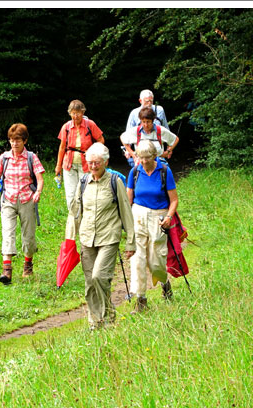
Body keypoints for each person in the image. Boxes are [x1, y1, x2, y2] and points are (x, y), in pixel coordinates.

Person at [65, 143, 135, 330]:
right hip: (87, 237)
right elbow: (75, 212)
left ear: (105, 162)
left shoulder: (115, 182)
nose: (93, 166)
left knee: (99, 277)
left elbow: (125, 211)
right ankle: (95, 322)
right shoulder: (83, 182)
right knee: (90, 283)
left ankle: (109, 315)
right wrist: (70, 239)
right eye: (90, 163)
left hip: (109, 237)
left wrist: (130, 242)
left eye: (97, 162)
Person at [0, 123, 45, 284]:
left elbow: (39, 178)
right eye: (11, 140)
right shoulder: (4, 158)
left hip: (27, 200)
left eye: (17, 140)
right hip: (8, 200)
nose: (14, 143)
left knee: (29, 235)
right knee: (8, 233)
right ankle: (7, 270)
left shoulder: (31, 157)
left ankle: (28, 265)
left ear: (24, 141)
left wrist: (38, 191)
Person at [126, 140, 178, 312]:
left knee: (156, 260)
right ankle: (141, 300)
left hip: (158, 216)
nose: (144, 161)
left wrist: (169, 217)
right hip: (138, 215)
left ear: (154, 156)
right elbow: (129, 200)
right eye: (141, 158)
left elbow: (174, 200)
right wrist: (127, 223)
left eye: (148, 158)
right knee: (138, 258)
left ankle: (164, 283)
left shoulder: (164, 171)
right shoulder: (134, 171)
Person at [55, 99, 105, 209]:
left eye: (78, 113)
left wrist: (92, 150)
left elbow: (101, 140)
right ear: (70, 113)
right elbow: (62, 147)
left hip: (86, 164)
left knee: (86, 191)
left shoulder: (90, 124)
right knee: (71, 193)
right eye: (73, 113)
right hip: (69, 164)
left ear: (83, 113)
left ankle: (85, 216)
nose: (75, 116)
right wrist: (58, 166)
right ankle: (73, 218)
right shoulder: (66, 127)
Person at [124, 90, 170, 167]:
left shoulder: (159, 110)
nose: (149, 104)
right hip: (141, 150)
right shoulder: (134, 113)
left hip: (157, 150)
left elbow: (166, 128)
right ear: (140, 101)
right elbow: (127, 134)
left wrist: (169, 149)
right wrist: (128, 151)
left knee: (164, 170)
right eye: (146, 101)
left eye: (151, 101)